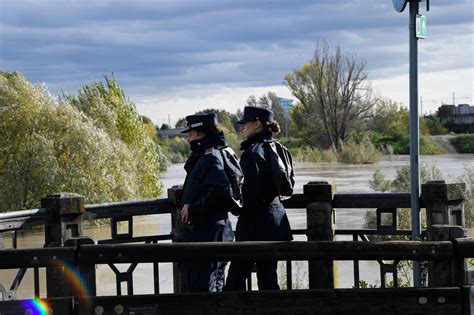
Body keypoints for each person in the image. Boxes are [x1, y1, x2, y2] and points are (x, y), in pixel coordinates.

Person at [225, 106, 294, 291]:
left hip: (254, 223)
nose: (242, 128)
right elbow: (289, 186)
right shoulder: (281, 149)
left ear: (257, 124)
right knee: (268, 278)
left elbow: (247, 193)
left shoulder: (253, 152)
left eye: (245, 124)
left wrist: (232, 206)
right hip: (276, 219)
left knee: (234, 281)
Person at [179, 113, 240, 292]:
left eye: (190, 134)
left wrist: (193, 208)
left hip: (209, 234)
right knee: (210, 289)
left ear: (201, 134)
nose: (188, 138)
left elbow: (221, 190)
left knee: (205, 293)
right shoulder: (215, 152)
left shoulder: (211, 156)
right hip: (213, 232)